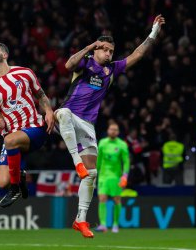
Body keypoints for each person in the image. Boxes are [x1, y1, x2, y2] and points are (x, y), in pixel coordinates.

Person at [55, 15, 165, 238]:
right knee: (63, 113)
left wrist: (153, 32)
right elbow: (68, 65)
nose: (108, 54)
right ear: (95, 49)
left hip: (87, 125)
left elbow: (138, 54)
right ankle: (77, 162)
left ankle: (80, 219)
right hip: (68, 117)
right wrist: (88, 46)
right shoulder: (85, 62)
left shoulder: (112, 70)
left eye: (110, 51)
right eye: (104, 49)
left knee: (92, 174)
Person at [0, 42, 55, 208]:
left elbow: (41, 95)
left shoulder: (24, 73)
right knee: (2, 182)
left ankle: (15, 189)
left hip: (34, 128)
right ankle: (19, 176)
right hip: (12, 136)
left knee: (9, 141)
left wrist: (49, 111)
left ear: (5, 55)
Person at [95, 122, 130, 233]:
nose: (113, 131)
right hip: (103, 176)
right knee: (102, 198)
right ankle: (103, 225)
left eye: (115, 130)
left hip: (116, 177)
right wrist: (95, 173)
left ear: (118, 132)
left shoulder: (122, 145)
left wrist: (125, 175)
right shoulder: (102, 143)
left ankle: (115, 224)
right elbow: (99, 159)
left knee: (116, 200)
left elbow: (126, 161)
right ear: (108, 130)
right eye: (111, 129)